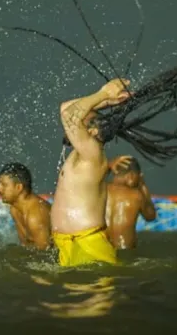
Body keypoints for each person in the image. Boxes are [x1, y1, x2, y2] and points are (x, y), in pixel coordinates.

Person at [51, 78, 131, 267]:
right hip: (67, 242)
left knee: (97, 294)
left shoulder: (92, 153)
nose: (72, 128)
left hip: (88, 242)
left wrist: (102, 94)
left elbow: (69, 115)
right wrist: (106, 101)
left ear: (93, 131)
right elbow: (65, 108)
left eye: (81, 121)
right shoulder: (81, 153)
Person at [104, 155, 156, 249]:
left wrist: (108, 166)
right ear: (131, 176)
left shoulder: (100, 190)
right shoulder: (136, 195)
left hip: (102, 249)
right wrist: (143, 185)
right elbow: (151, 216)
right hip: (125, 250)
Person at [0, 162, 52, 250]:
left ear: (19, 187)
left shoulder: (35, 216)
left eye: (4, 185)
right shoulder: (15, 209)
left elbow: (46, 255)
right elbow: (26, 246)